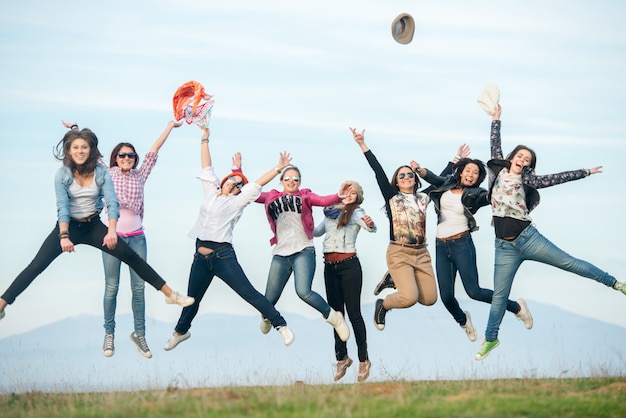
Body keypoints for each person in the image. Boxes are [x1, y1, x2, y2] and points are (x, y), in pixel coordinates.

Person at [0, 125, 194, 326]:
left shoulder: (101, 171)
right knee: (37, 265)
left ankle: (170, 294)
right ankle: (2, 304)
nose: (80, 151)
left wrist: (111, 231)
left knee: (130, 256)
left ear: (90, 150)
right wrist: (64, 236)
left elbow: (111, 202)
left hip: (93, 226)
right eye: (75, 147)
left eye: (84, 147)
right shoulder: (62, 174)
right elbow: (62, 207)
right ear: (69, 150)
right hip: (68, 226)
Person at [475, 104, 626, 360]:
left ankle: (615, 283)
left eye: (527, 160)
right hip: (503, 246)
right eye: (520, 156)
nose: (522, 160)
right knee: (499, 296)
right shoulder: (498, 171)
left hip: (529, 239)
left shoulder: (530, 180)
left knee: (570, 263)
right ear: (512, 158)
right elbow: (495, 144)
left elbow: (557, 178)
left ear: (529, 165)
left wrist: (585, 172)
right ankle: (490, 339)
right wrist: (496, 119)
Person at [163, 128, 296, 351]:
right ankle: (180, 332)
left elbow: (256, 184)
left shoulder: (236, 203)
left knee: (249, 293)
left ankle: (280, 325)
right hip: (200, 258)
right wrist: (204, 138)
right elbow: (206, 165)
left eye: (237, 185)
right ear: (223, 181)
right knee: (192, 299)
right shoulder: (211, 192)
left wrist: (278, 168)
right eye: (231, 181)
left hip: (223, 257)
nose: (233, 185)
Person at [410, 146, 532, 342]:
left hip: (461, 244)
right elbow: (434, 179)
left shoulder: (476, 193)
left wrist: (508, 185)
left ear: (478, 178)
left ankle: (516, 307)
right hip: (441, 246)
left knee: (474, 291)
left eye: (475, 173)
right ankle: (463, 320)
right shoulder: (447, 184)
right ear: (460, 172)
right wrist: (420, 170)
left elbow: (490, 197)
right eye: (468, 170)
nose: (471, 174)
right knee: (447, 297)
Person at [96, 120, 182, 359]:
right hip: (112, 237)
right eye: (122, 155)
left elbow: (154, 150)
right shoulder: (107, 173)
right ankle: (109, 334)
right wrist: (73, 129)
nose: (127, 158)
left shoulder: (140, 174)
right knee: (112, 287)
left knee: (139, 288)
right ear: (116, 158)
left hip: (137, 238)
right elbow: (91, 151)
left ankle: (140, 335)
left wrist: (169, 126)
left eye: (131, 155)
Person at [350, 127, 437, 331]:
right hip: (399, 252)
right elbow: (378, 171)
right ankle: (383, 304)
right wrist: (363, 144)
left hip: (422, 254)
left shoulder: (424, 197)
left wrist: (456, 159)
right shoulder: (392, 197)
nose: (406, 176)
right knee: (409, 298)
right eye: (401, 175)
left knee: (430, 299)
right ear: (396, 182)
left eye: (409, 174)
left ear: (415, 179)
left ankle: (393, 278)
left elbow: (443, 179)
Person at [255, 167, 352, 342]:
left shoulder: (305, 196)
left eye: (296, 179)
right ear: (281, 181)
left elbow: (323, 200)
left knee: (303, 291)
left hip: (303, 250)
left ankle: (335, 318)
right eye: (288, 178)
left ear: (299, 182)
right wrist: (236, 171)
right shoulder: (271, 196)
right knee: (268, 299)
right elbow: (251, 193)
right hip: (281, 253)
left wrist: (338, 196)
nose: (291, 181)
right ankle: (266, 316)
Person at [313, 181, 377, 382]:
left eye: (353, 193)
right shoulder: (330, 212)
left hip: (349, 266)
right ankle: (342, 358)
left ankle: (363, 360)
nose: (349, 195)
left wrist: (370, 222)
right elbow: (316, 232)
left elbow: (370, 228)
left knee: (354, 314)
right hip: (329, 267)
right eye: (346, 192)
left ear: (357, 196)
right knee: (336, 315)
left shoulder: (357, 212)